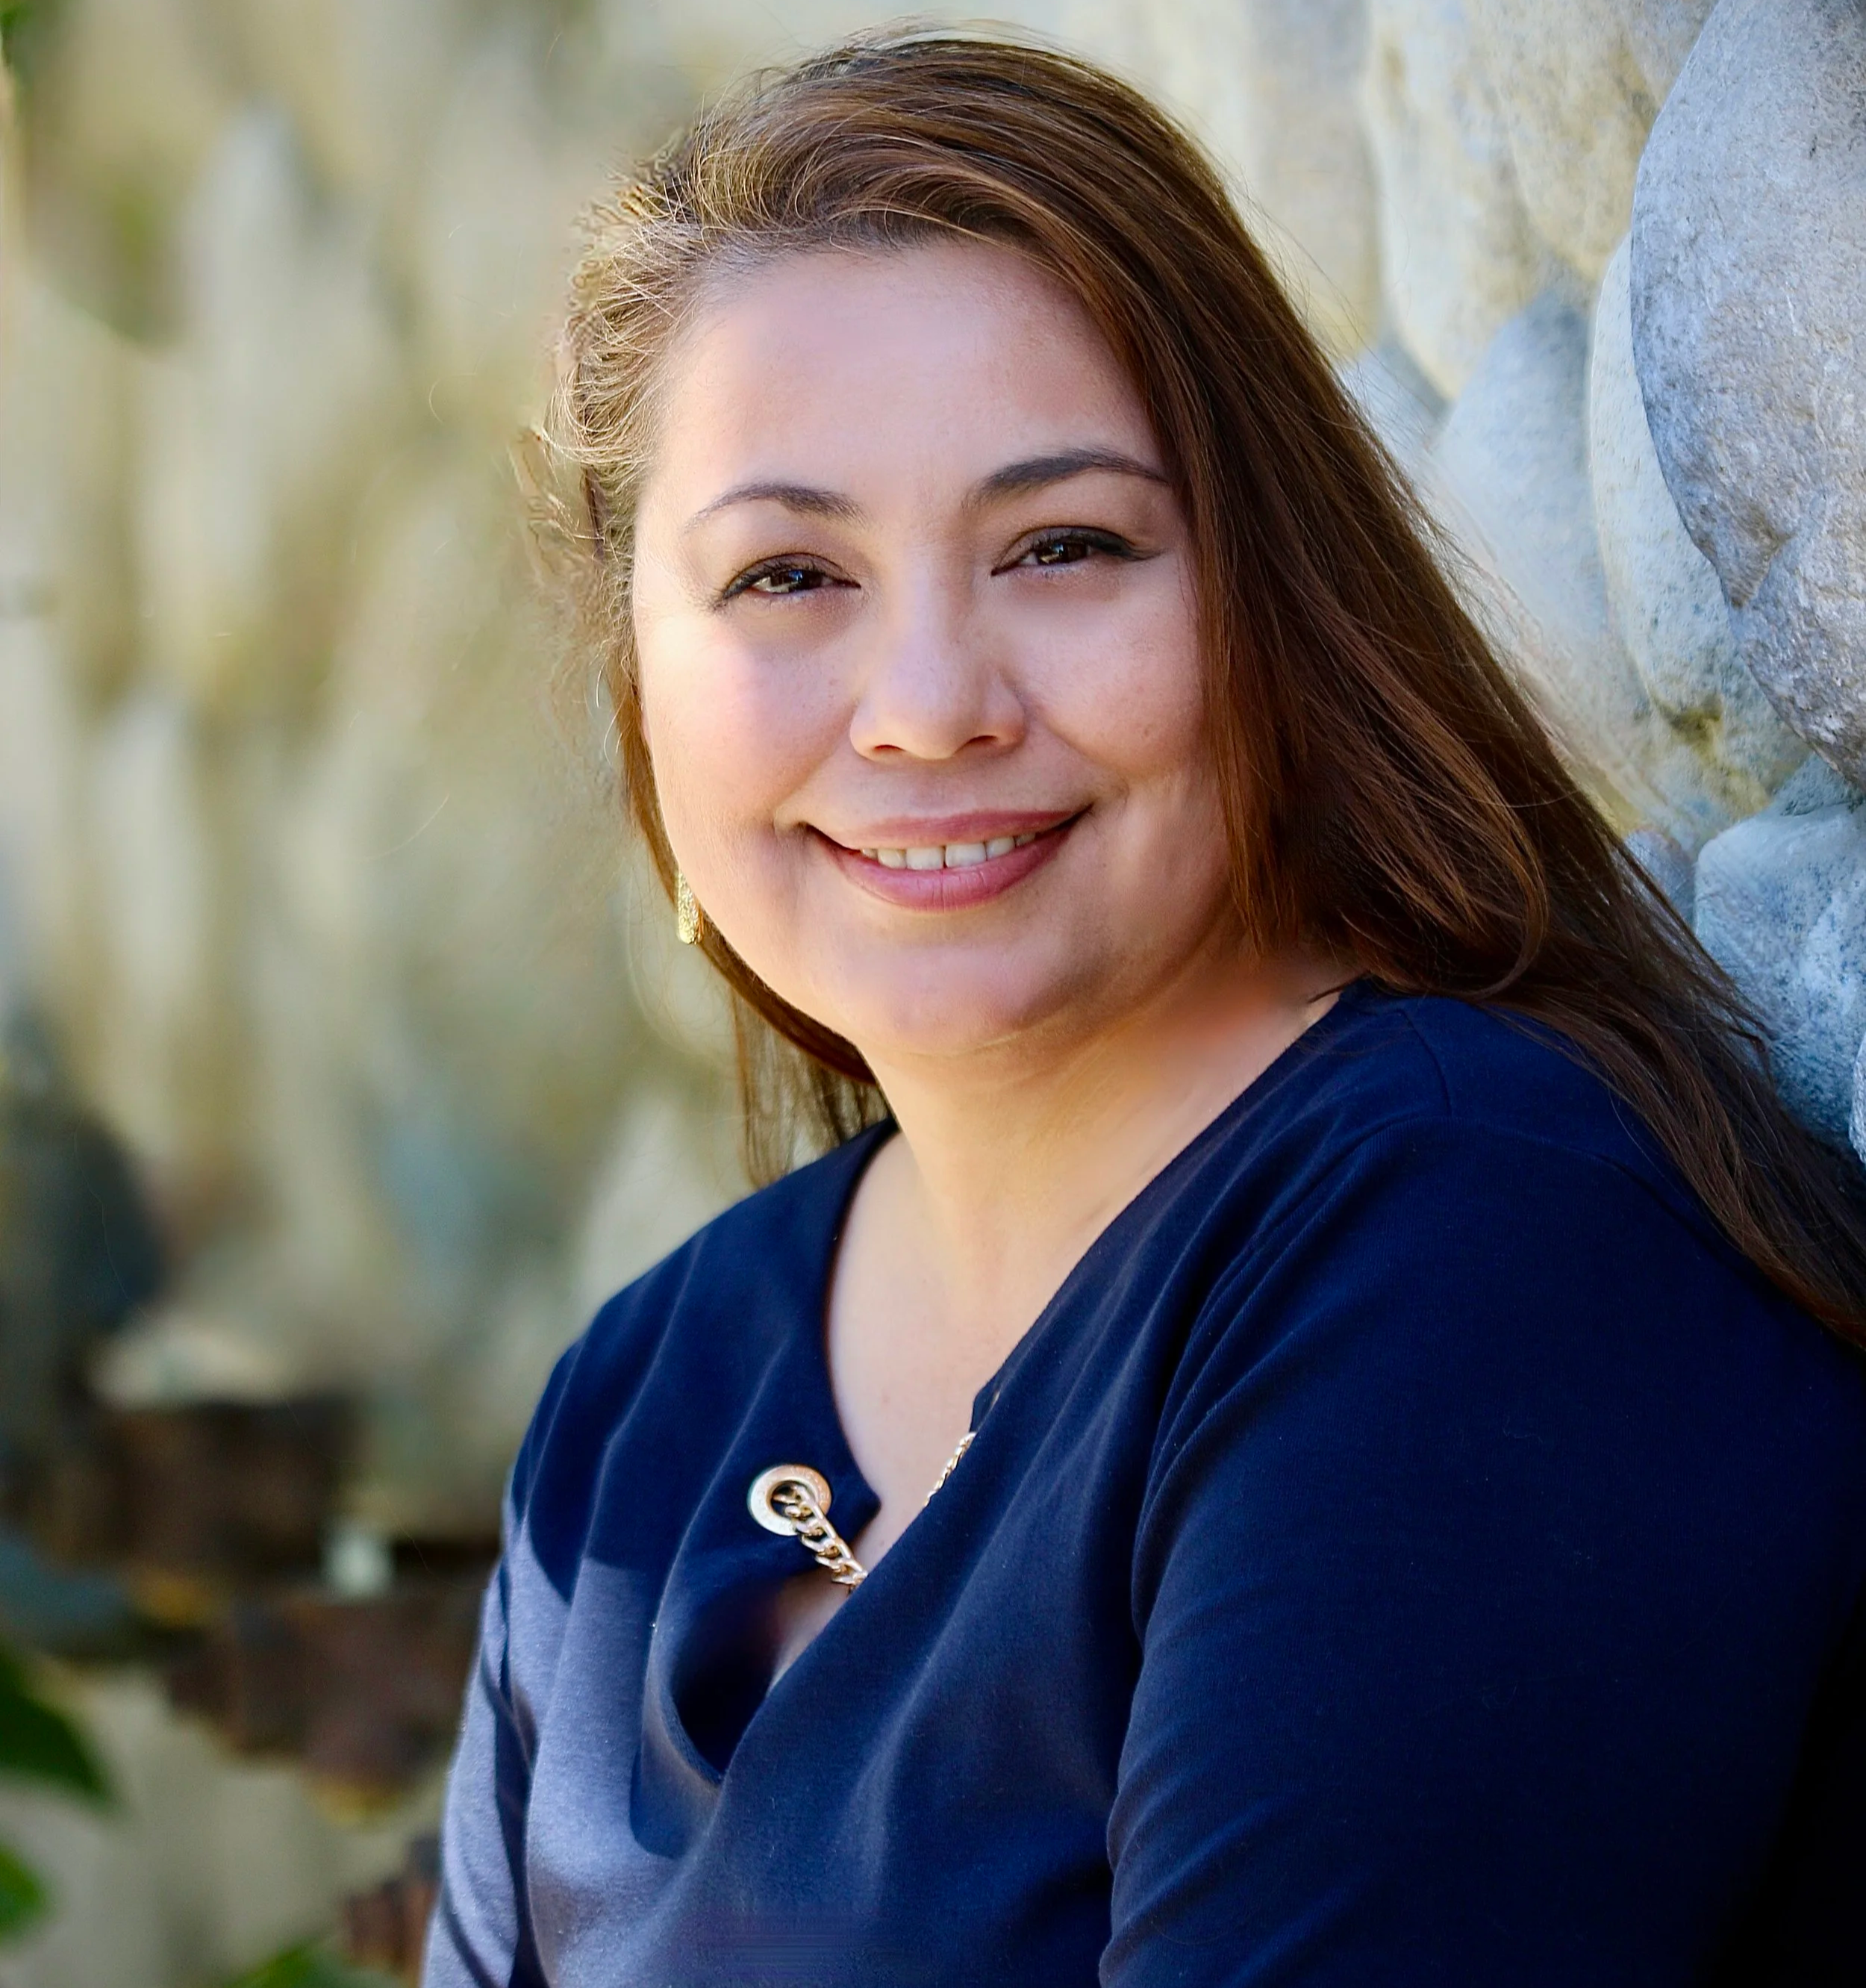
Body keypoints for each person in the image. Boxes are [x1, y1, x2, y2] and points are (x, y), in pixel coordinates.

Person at [425, 32, 1866, 1987]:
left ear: (1261, 601)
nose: (927, 702)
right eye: (785, 573)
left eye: (1062, 545)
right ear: (637, 677)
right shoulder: (642, 1393)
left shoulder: (1472, 1268)